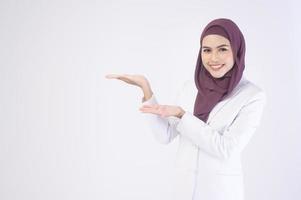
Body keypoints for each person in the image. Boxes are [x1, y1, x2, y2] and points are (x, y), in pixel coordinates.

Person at [106, 18, 267, 200]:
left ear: (237, 50)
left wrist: (182, 116)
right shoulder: (190, 87)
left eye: (222, 49)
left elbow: (226, 149)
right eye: (207, 50)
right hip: (184, 191)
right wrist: (146, 88)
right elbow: (165, 135)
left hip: (220, 192)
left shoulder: (251, 96)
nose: (213, 58)